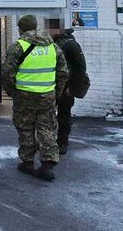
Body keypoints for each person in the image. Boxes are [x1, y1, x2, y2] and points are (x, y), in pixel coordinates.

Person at [2, 15, 68, 182]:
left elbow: (7, 74)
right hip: (47, 95)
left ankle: (28, 162)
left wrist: (13, 93)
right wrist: (56, 92)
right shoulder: (53, 47)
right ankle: (48, 164)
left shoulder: (18, 46)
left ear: (21, 29)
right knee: (47, 128)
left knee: (25, 127)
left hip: (24, 96)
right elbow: (63, 72)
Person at [48, 19, 87, 154]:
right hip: (53, 87)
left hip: (66, 89)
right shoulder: (54, 43)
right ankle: (50, 141)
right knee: (50, 115)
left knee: (64, 116)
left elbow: (81, 68)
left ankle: (62, 142)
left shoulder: (71, 44)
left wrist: (73, 88)